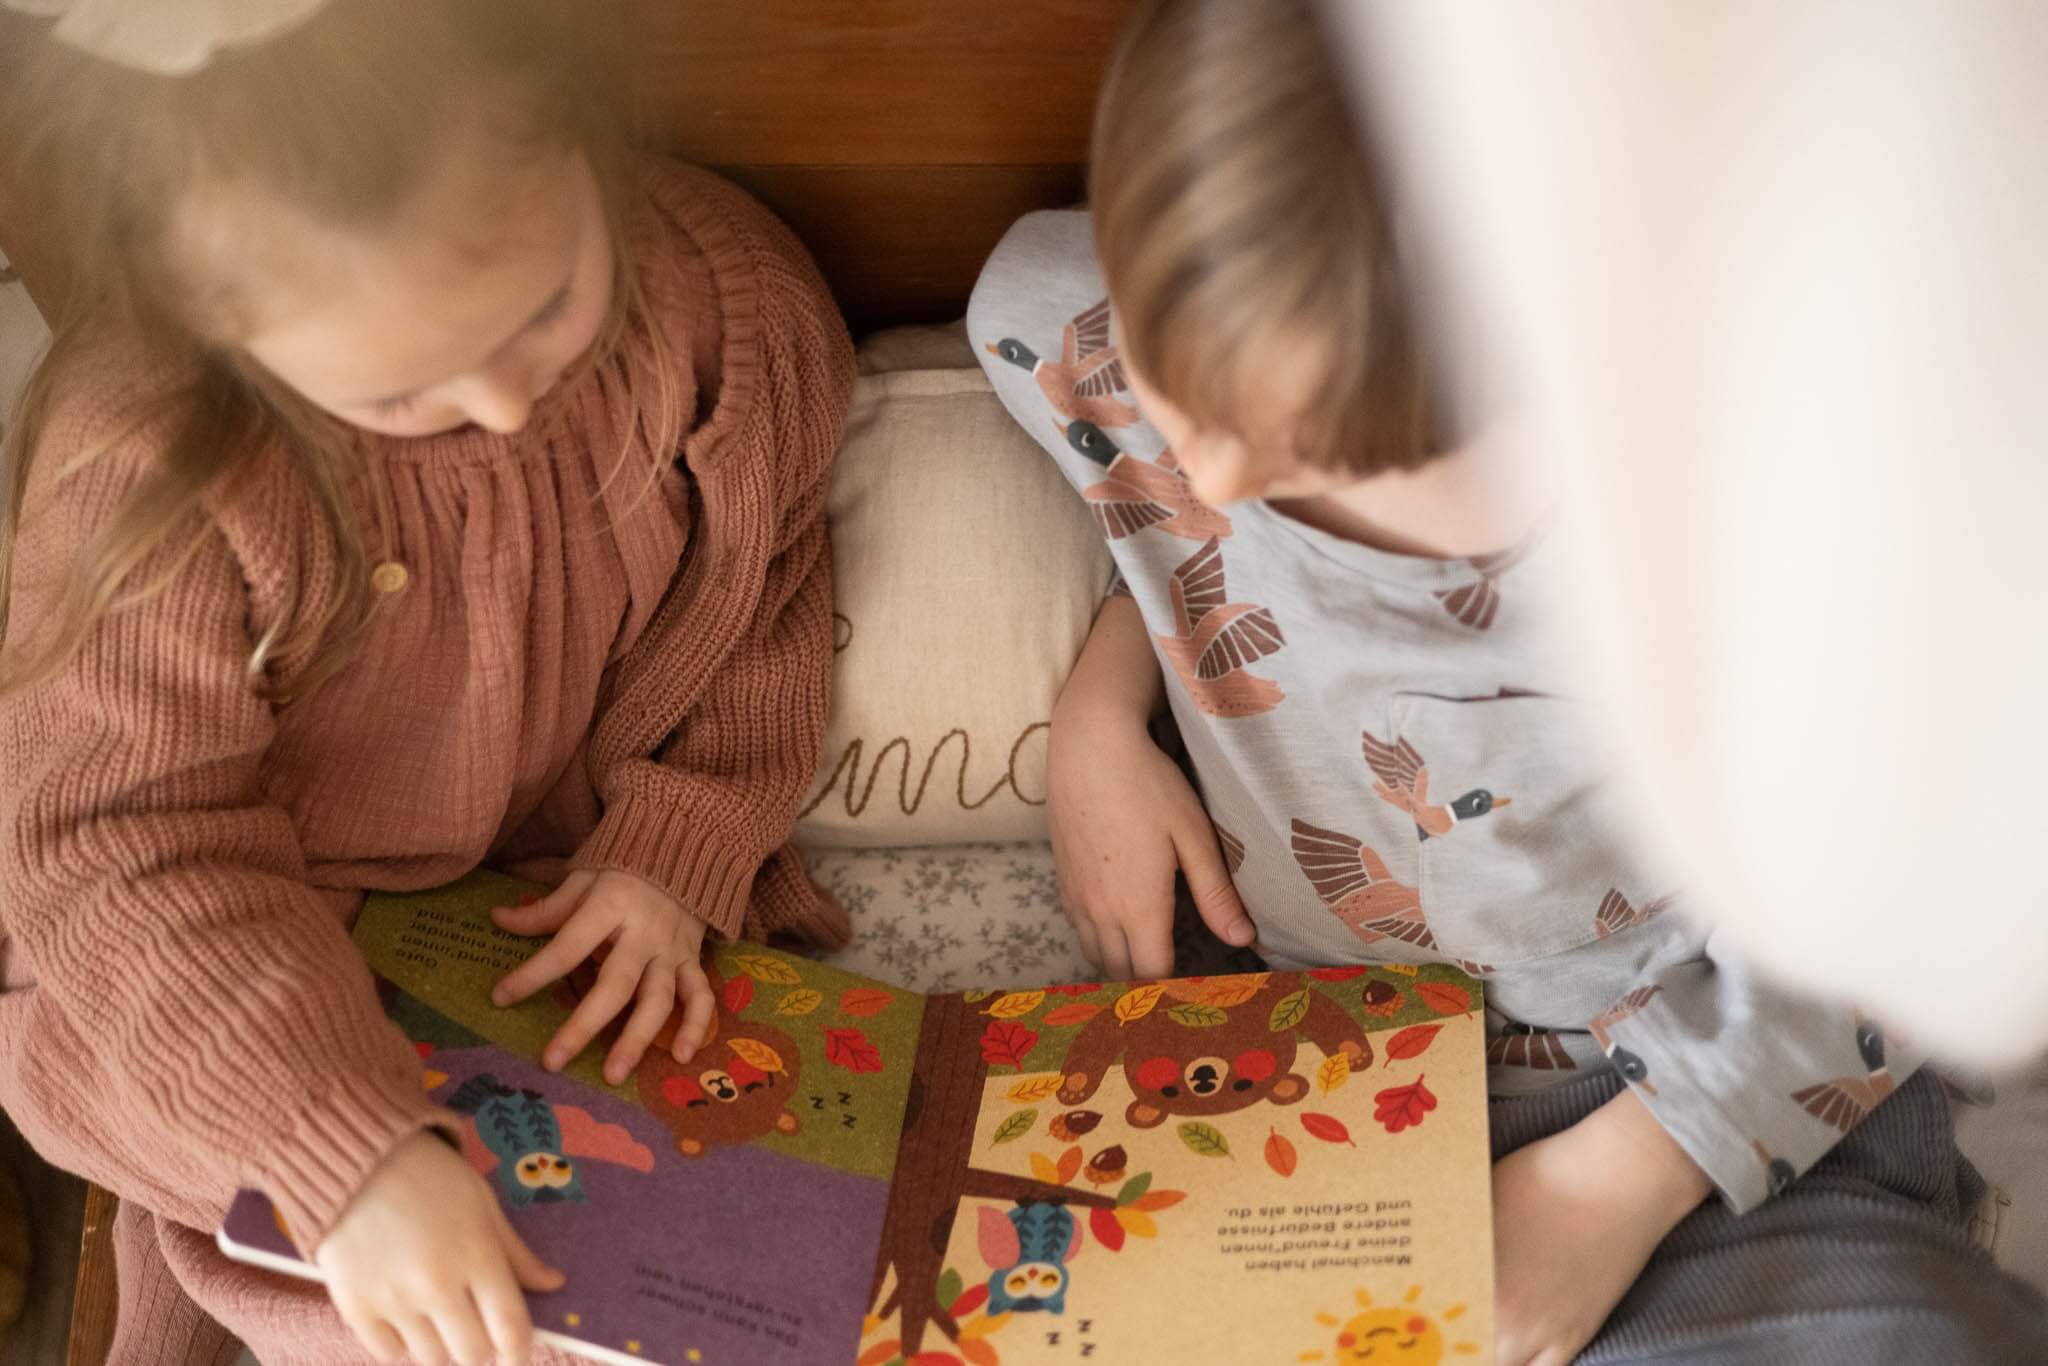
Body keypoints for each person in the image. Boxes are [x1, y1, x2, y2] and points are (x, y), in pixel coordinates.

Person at [967, 0, 2048, 1360]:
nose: (1224, 487)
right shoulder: (1070, 330)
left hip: (1720, 1078)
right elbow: (1179, 518)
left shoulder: (1753, 522)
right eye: (1194, 413)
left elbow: (1943, 881)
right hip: (1328, 1063)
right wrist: (1100, 705)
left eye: (1317, 468)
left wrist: (1615, 1184)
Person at [0, 2, 852, 1362]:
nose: (509, 402)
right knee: (388, 1272)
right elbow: (117, 854)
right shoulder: (152, 463)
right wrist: (346, 1156)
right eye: (404, 395)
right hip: (249, 935)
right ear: (216, 324)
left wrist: (676, 846)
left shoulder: (726, 313)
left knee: (693, 1182)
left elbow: (766, 592)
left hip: (555, 894)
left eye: (547, 306)